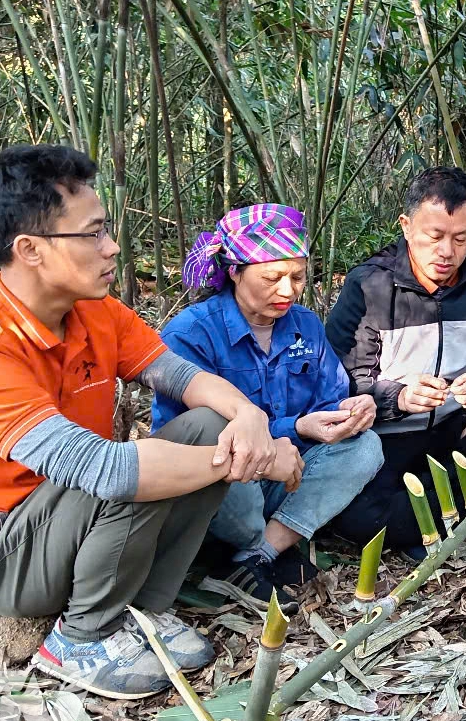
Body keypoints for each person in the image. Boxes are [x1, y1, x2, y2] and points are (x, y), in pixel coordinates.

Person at [0, 145, 293, 700]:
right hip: (4, 558)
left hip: (74, 524)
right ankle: (80, 638)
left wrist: (249, 417)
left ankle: (139, 613)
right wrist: (253, 460)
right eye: (93, 233)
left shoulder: (95, 311)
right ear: (30, 249)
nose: (112, 247)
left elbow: (181, 376)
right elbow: (104, 470)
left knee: (202, 425)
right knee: (127, 471)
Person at [152, 204, 383, 601]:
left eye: (297, 277)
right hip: (219, 483)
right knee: (225, 456)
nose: (287, 291)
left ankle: (259, 553)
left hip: (286, 472)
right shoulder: (191, 332)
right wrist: (291, 429)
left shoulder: (305, 325)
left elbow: (331, 397)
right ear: (234, 271)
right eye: (272, 277)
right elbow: (190, 434)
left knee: (366, 448)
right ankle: (243, 546)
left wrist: (350, 412)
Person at [325, 167, 466, 555]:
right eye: (435, 236)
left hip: (457, 428)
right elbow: (337, 383)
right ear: (407, 226)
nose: (448, 252)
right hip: (383, 438)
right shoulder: (369, 286)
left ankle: (427, 516)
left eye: (461, 238)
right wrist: (399, 397)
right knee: (355, 517)